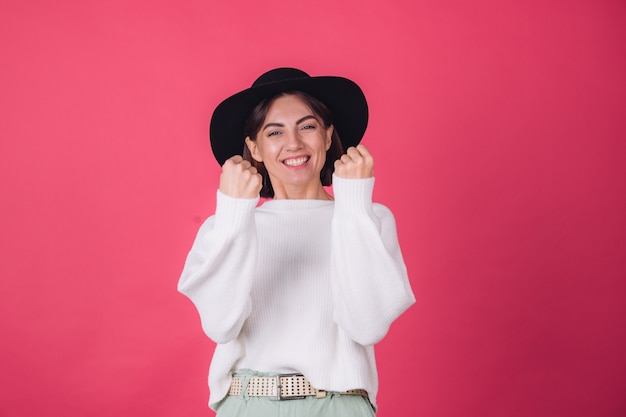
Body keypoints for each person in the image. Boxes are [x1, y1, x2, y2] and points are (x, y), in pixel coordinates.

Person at [178, 67, 415, 416]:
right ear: (254, 149)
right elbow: (220, 324)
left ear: (328, 135)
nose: (294, 144)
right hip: (247, 404)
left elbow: (367, 325)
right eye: (274, 132)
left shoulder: (369, 218)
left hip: (339, 405)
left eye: (307, 126)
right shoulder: (227, 226)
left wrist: (353, 201)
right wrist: (233, 213)